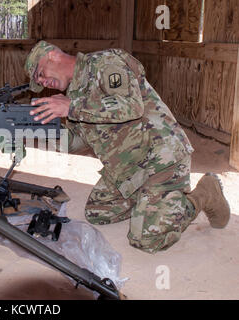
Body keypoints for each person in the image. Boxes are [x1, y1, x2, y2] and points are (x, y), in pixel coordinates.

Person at [25, 41, 231, 254]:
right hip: (131, 169)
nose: (43, 82)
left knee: (148, 238)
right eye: (39, 82)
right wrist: (44, 131)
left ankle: (206, 192)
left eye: (40, 73)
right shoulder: (75, 94)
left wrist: (72, 107)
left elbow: (131, 106)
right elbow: (78, 141)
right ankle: (151, 200)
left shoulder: (105, 62)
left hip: (161, 156)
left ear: (52, 56)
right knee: (98, 212)